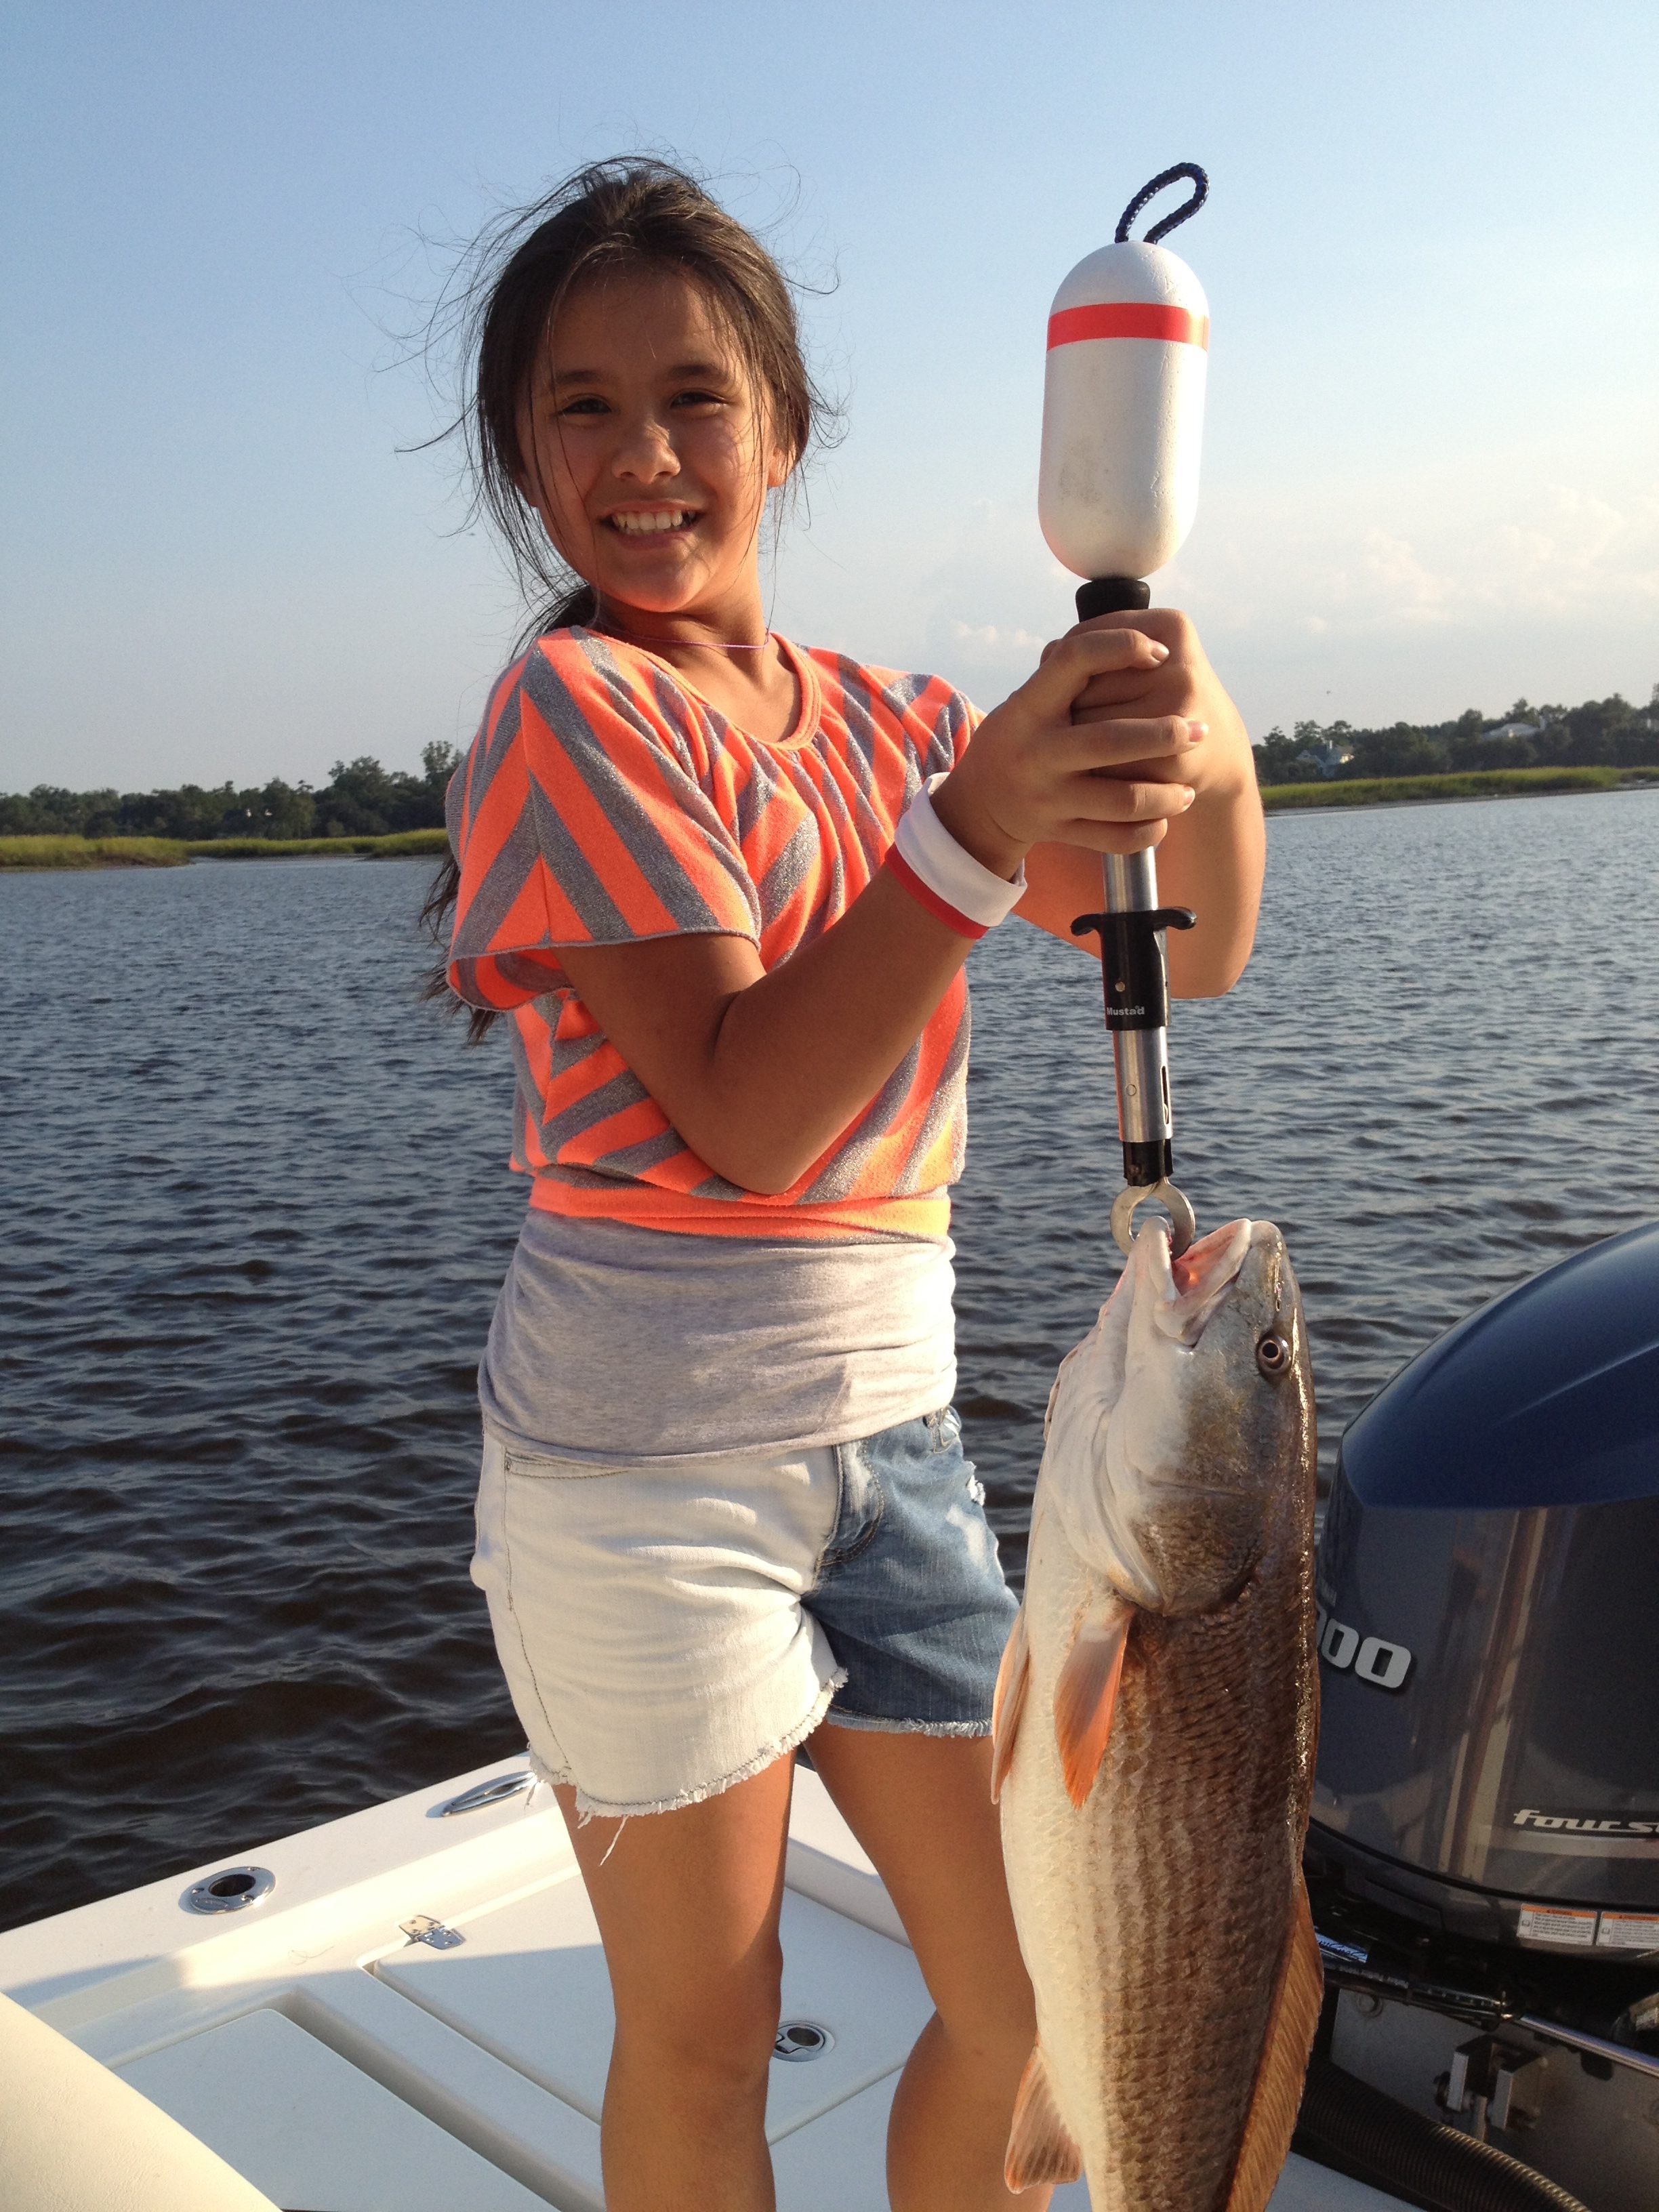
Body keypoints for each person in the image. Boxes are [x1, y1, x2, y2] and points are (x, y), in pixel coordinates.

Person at [427, 159, 1265, 2212]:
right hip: (641, 1485)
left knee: (1032, 1999)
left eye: (697, 398)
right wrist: (974, 822)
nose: (646, 456)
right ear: (526, 460)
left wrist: (1211, 741)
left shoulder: (891, 723)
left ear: (785, 432)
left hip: (897, 1460)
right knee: (705, 2037)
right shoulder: (576, 709)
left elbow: (1203, 942)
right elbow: (748, 1114)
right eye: (583, 408)